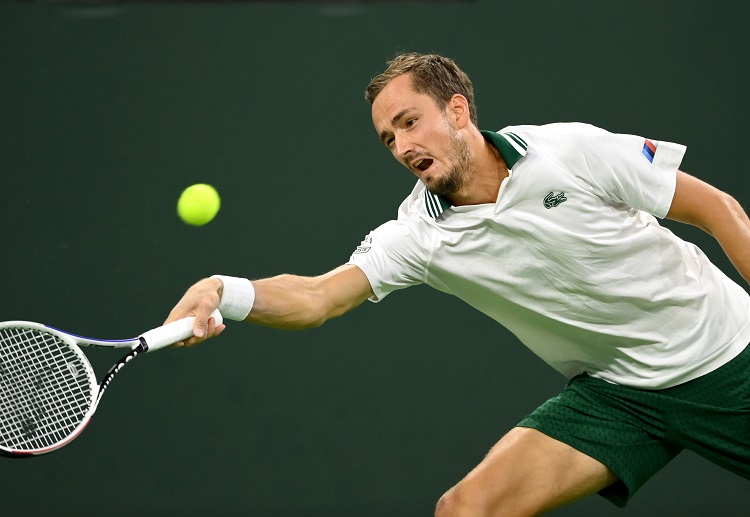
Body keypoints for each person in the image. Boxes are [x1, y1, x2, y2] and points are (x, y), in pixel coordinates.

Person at [165, 53, 750, 516]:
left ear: (459, 111)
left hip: (725, 355)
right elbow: (319, 297)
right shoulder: (417, 234)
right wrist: (223, 290)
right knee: (468, 510)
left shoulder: (568, 151)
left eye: (409, 122)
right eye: (388, 139)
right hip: (618, 394)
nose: (402, 146)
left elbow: (718, 209)